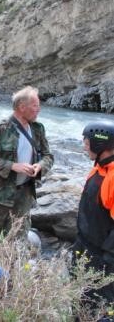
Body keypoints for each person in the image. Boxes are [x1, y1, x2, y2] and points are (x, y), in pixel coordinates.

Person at [0, 86, 54, 238]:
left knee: (18, 239)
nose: (38, 109)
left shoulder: (38, 129)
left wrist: (40, 166)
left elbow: (48, 156)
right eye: (35, 106)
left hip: (24, 196)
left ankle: (11, 262)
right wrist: (13, 166)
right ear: (22, 107)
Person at [73, 121, 114, 314]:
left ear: (100, 145)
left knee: (96, 308)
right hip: (86, 246)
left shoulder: (112, 176)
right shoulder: (99, 168)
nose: (84, 146)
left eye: (87, 142)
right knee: (80, 302)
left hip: (102, 257)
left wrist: (106, 261)